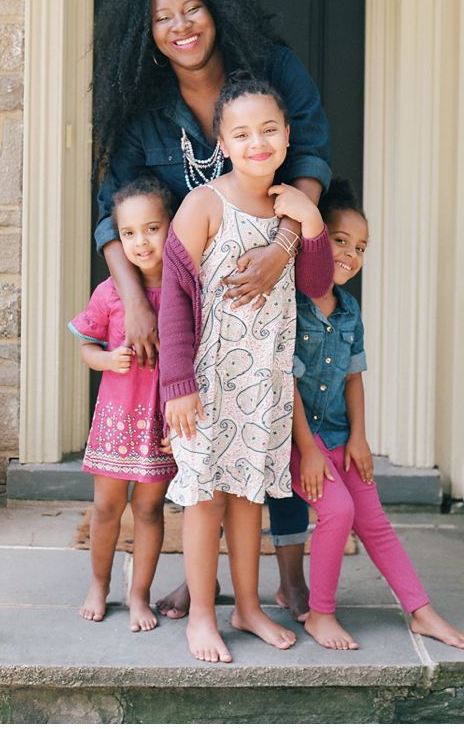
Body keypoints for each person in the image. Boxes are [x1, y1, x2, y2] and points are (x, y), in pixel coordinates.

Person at [90, 0, 330, 621]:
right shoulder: (144, 107)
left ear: (217, 9)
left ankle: (284, 581)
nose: (180, 26)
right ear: (148, 32)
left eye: (191, 8)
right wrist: (136, 303)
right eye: (162, 18)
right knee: (192, 451)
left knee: (271, 438)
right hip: (184, 306)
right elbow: (112, 206)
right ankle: (200, 589)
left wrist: (286, 245)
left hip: (271, 293)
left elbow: (311, 155)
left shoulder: (271, 73)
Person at [157, 77, 334, 663]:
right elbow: (174, 300)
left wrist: (310, 220)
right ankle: (202, 616)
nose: (257, 141)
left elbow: (315, 285)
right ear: (223, 144)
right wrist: (177, 385)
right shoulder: (205, 204)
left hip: (265, 384)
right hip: (207, 385)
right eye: (242, 133)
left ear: (286, 137)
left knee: (248, 498)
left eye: (269, 130)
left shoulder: (290, 209)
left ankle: (249, 606)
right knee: (205, 499)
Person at [287, 179, 464, 652]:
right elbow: (281, 382)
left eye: (361, 247)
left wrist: (359, 439)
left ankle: (421, 611)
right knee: (338, 512)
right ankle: (320, 614)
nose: (350, 254)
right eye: (340, 240)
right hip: (294, 440)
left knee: (374, 521)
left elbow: (353, 378)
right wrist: (308, 450)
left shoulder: (349, 310)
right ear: (315, 241)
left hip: (338, 434)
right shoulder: (289, 304)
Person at [70, 176, 178, 631]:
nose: (141, 242)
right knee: (107, 508)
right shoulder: (111, 294)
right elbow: (85, 347)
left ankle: (140, 595)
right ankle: (99, 585)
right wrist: (106, 359)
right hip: (116, 420)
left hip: (160, 422)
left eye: (152, 229)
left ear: (172, 227)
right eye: (129, 233)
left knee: (151, 510)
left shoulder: (184, 292)